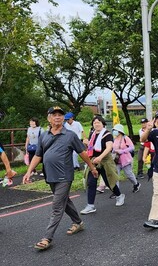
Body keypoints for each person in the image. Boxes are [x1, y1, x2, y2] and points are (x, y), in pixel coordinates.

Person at [22, 106, 98, 251]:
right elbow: (38, 155)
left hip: (65, 176)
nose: (57, 117)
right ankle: (78, 222)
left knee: (57, 206)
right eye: (54, 115)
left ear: (63, 118)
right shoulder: (44, 135)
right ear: (48, 118)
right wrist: (28, 171)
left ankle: (47, 238)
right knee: (65, 200)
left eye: (60, 115)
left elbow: (82, 153)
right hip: (50, 176)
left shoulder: (70, 135)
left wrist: (92, 168)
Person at [80, 116, 125, 215]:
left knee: (109, 182)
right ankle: (90, 205)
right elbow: (92, 147)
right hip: (94, 160)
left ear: (103, 123)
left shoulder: (107, 134)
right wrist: (86, 144)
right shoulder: (92, 134)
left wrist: (100, 157)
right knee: (91, 182)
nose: (96, 124)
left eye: (98, 122)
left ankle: (119, 195)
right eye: (94, 122)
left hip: (105, 160)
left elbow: (109, 147)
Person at [112, 124, 141, 193]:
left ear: (119, 131)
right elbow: (113, 148)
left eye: (115, 130)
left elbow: (132, 147)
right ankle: (116, 192)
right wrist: (113, 151)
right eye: (114, 130)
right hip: (116, 160)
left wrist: (122, 151)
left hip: (126, 160)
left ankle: (136, 184)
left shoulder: (125, 138)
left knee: (129, 174)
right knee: (115, 176)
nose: (114, 131)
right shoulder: (114, 139)